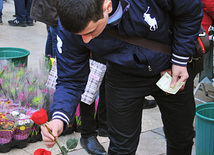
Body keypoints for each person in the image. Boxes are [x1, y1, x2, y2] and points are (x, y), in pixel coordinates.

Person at [41, 0, 203, 154]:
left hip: (170, 67)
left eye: (91, 31)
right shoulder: (71, 24)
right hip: (123, 75)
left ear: (107, 6)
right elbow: (70, 78)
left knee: (181, 137)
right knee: (121, 146)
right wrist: (58, 117)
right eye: (80, 35)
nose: (86, 40)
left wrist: (179, 59)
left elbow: (190, 9)